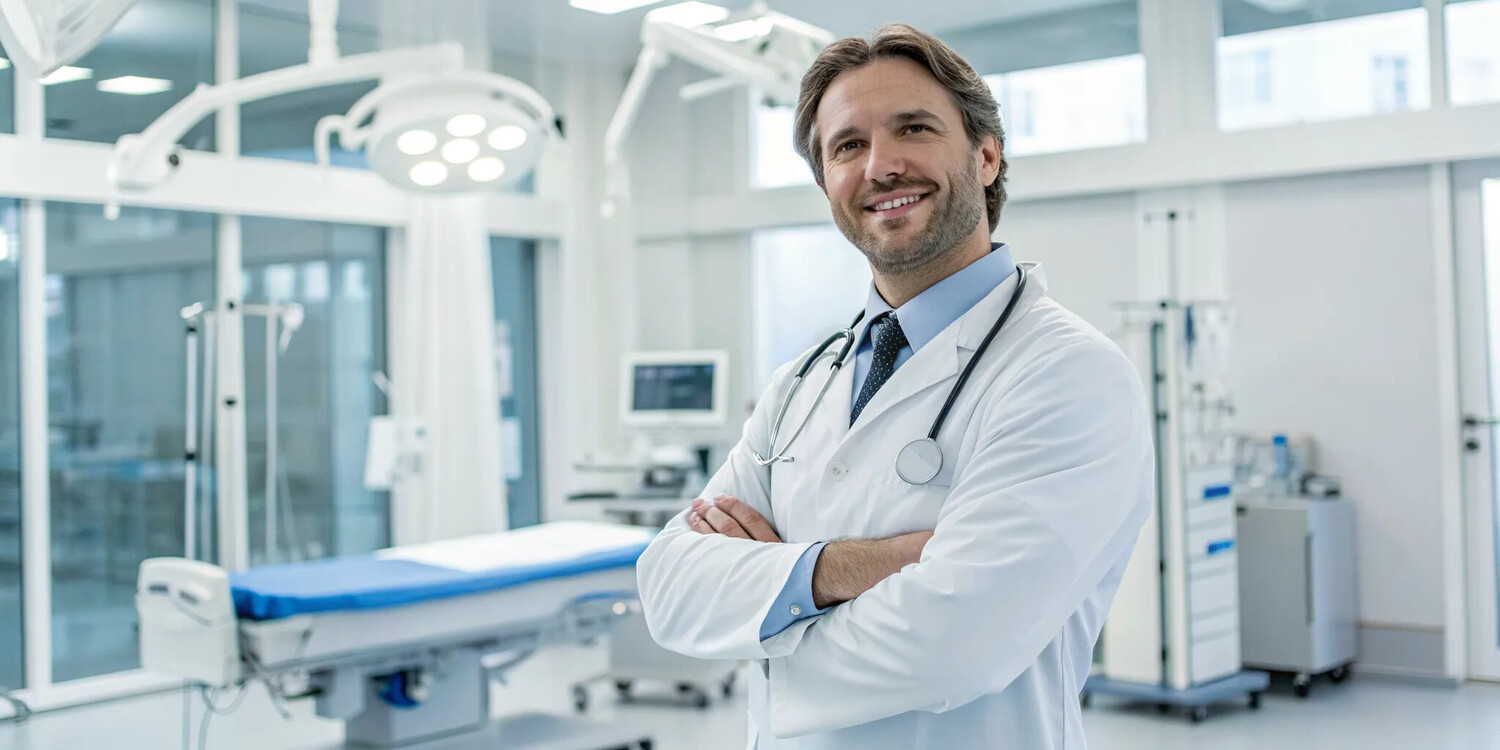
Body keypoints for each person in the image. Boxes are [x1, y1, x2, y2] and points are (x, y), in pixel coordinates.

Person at [635, 22, 1154, 750]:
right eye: (848, 146)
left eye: (913, 128)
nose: (881, 166)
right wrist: (850, 567)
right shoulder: (801, 384)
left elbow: (957, 643)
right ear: (825, 182)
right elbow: (668, 587)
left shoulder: (1068, 373)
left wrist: (762, 611)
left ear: (986, 153)